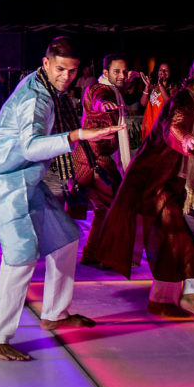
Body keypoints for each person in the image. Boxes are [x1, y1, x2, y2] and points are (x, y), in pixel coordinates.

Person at [0, 37, 123, 361]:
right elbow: (32, 147)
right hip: (4, 182)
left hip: (28, 181)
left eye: (72, 71)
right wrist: (78, 136)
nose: (66, 76)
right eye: (60, 69)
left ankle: (55, 314)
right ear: (46, 64)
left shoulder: (45, 86)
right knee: (21, 255)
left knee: (64, 239)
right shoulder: (37, 98)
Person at [99, 49, 194, 323]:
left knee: (192, 237)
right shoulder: (185, 100)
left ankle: (163, 300)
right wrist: (186, 139)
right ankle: (189, 297)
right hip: (157, 183)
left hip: (175, 184)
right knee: (180, 237)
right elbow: (172, 127)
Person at [71, 54, 129, 266]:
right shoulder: (100, 89)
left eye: (124, 71)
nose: (121, 75)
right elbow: (96, 98)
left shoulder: (115, 91)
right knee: (115, 206)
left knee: (104, 209)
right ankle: (103, 255)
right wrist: (103, 105)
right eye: (116, 72)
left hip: (93, 156)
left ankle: (92, 254)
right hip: (93, 158)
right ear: (105, 73)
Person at [139, 61, 173, 137]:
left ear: (170, 73)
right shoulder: (152, 87)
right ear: (157, 72)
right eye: (161, 70)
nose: (163, 72)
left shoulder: (172, 88)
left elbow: (169, 103)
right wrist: (147, 87)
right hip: (150, 123)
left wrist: (161, 85)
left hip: (162, 124)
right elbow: (143, 103)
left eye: (166, 70)